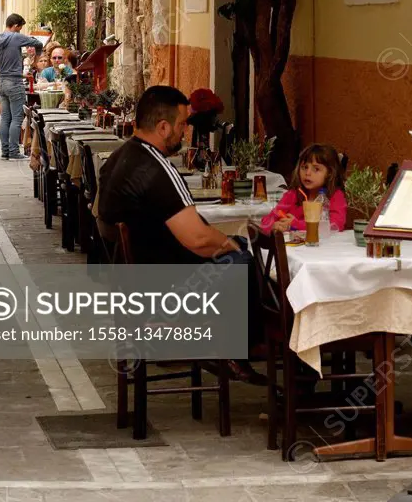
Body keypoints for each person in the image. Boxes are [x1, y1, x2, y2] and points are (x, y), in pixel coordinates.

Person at [99, 85, 265, 383]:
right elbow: (199, 241)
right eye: (181, 125)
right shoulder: (156, 167)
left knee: (240, 250)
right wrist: (229, 244)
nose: (184, 132)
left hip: (135, 278)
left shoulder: (120, 156)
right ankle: (244, 350)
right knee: (246, 259)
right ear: (163, 127)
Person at [261, 143, 347, 234]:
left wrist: (296, 224)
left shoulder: (336, 195)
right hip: (293, 247)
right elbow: (266, 221)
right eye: (304, 167)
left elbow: (336, 225)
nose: (308, 173)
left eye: (316, 169)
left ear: (329, 173)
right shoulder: (293, 194)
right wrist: (273, 226)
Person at [0, 14, 44, 161]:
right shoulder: (15, 37)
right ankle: (14, 152)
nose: (20, 31)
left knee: (5, 118)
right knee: (17, 118)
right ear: (15, 26)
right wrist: (36, 59)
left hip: (2, 81)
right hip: (14, 82)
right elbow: (38, 43)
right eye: (20, 28)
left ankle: (5, 151)